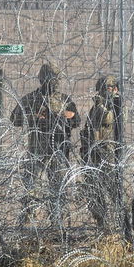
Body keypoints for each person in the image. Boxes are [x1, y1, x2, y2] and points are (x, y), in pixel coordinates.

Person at [10, 63, 80, 226]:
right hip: (37, 149)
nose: (56, 82)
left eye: (58, 79)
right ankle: (27, 220)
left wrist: (65, 116)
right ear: (43, 79)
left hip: (58, 150)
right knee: (31, 187)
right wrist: (34, 117)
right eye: (52, 79)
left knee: (58, 188)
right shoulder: (31, 99)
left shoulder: (64, 100)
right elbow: (15, 119)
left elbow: (77, 121)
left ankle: (57, 222)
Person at [79, 75, 122, 227]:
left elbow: (106, 118)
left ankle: (122, 220)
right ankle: (101, 223)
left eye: (109, 88)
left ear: (115, 89)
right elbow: (90, 128)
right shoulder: (97, 106)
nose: (105, 92)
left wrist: (111, 102)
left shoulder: (116, 106)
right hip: (93, 153)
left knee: (112, 187)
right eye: (103, 89)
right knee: (93, 188)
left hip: (108, 153)